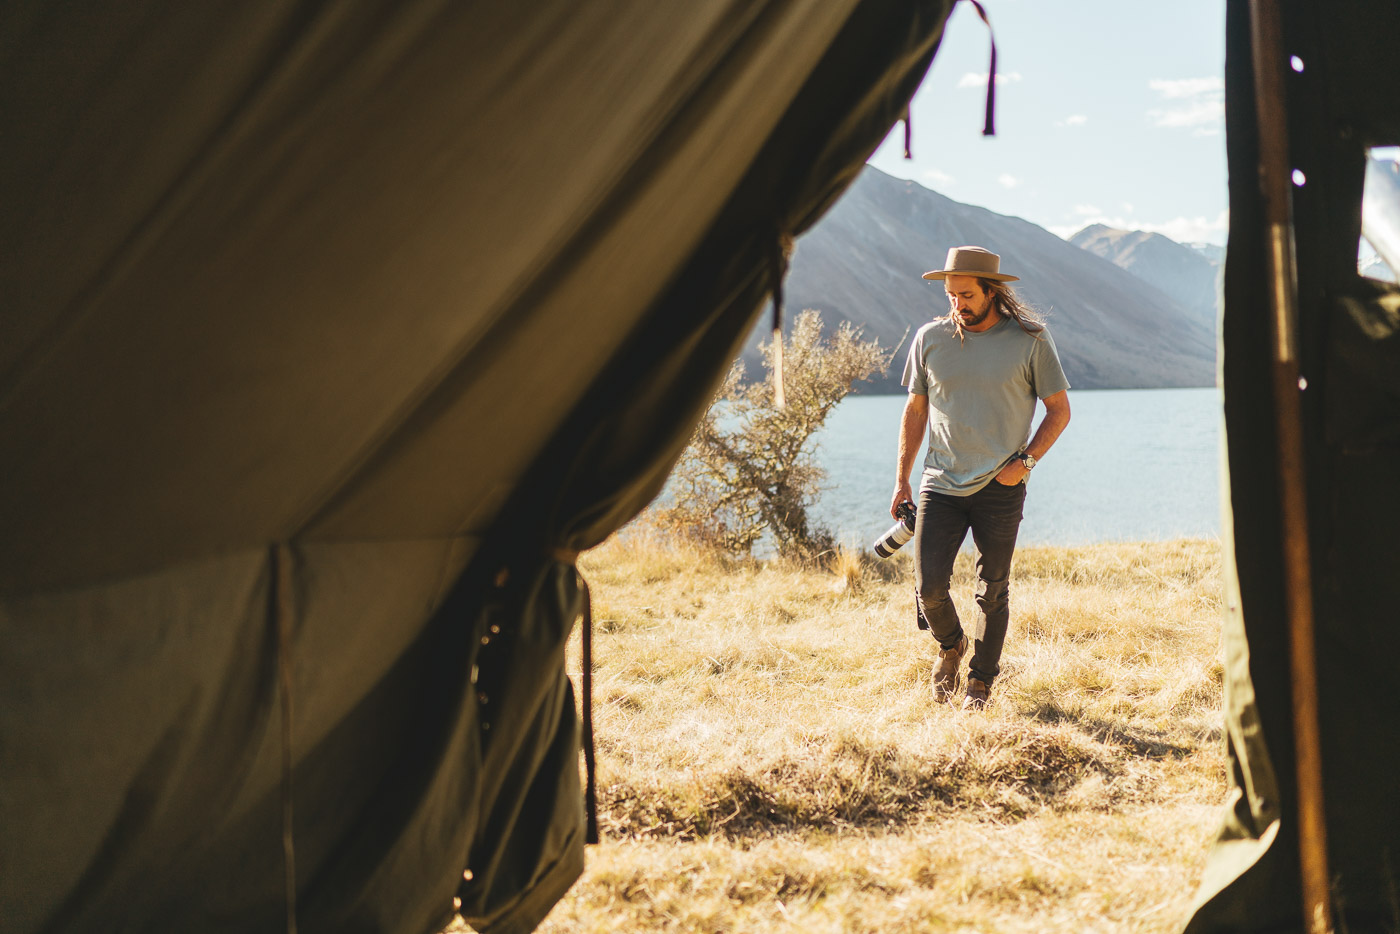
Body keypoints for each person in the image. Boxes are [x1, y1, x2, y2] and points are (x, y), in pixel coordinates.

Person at [891, 246, 1071, 710]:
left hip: (1000, 485)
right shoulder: (930, 338)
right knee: (929, 586)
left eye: (967, 295)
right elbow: (915, 410)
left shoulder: (1030, 340)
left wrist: (1025, 464)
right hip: (940, 482)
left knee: (992, 589)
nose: (958, 305)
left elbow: (1059, 411)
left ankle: (980, 683)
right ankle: (951, 646)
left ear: (993, 291)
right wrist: (902, 480)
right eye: (952, 296)